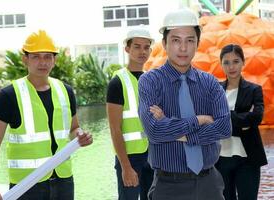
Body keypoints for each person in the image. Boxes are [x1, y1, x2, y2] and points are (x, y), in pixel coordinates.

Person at [0, 30, 93, 200]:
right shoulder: (9, 95)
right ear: (25, 59)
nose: (42, 62)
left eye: (47, 57)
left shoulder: (66, 91)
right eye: (36, 56)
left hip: (63, 181)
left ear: (54, 60)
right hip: (26, 186)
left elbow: (73, 128)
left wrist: (80, 136)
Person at [138, 8, 231, 200]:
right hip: (168, 186)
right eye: (176, 40)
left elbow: (224, 128)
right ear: (164, 43)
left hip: (209, 185)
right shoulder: (150, 82)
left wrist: (179, 133)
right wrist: (199, 120)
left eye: (190, 40)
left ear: (198, 43)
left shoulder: (210, 83)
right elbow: (154, 131)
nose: (183, 48)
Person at [106, 26, 154, 200]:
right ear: (127, 48)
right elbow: (114, 129)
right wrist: (125, 166)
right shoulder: (117, 82)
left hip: (153, 156)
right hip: (130, 158)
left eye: (146, 47)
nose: (142, 51)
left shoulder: (152, 79)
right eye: (137, 46)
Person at [215, 44, 267, 200]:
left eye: (236, 61)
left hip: (248, 157)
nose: (231, 67)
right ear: (221, 64)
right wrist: (242, 121)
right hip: (220, 157)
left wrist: (225, 118)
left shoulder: (254, 90)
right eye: (226, 62)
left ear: (243, 62)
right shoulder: (215, 90)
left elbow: (257, 117)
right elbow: (210, 118)